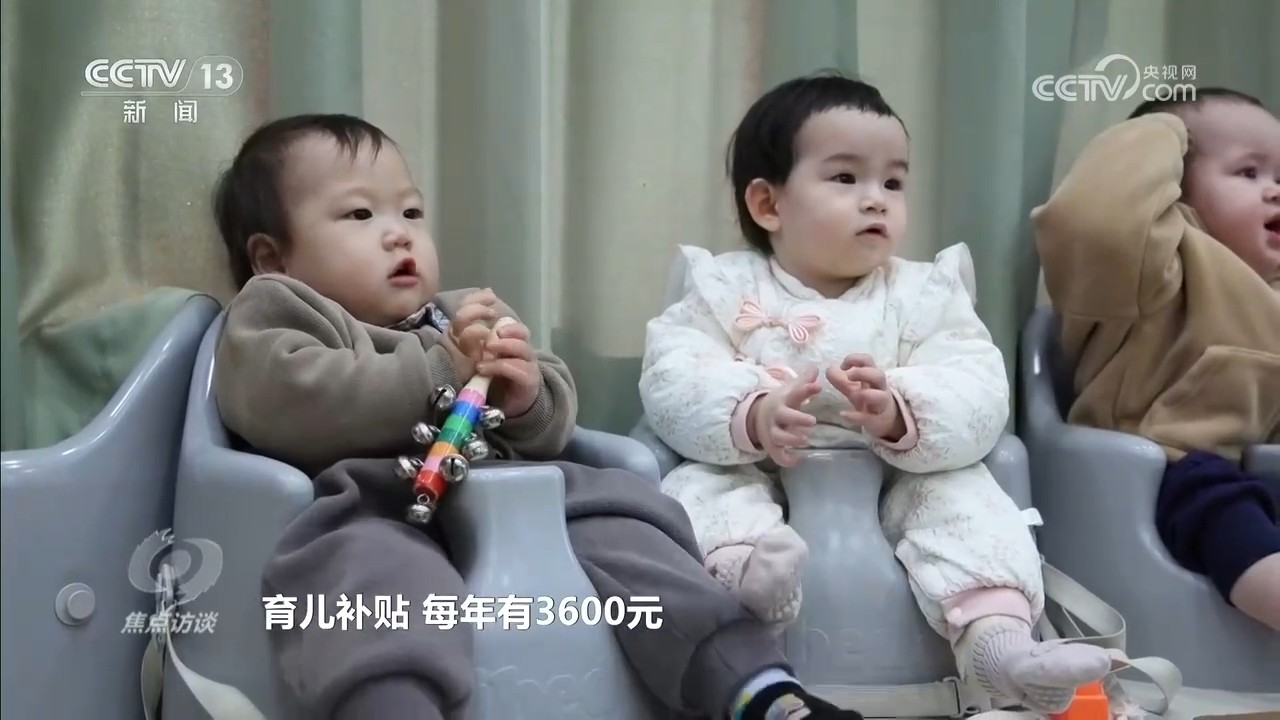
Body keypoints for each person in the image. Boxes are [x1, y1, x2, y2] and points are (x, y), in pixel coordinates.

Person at [209, 113, 866, 720]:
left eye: (411, 211)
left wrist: (523, 395)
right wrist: (444, 369)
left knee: (633, 534)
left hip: (529, 500)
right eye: (359, 213)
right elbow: (290, 400)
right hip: (375, 504)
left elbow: (553, 426)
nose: (398, 232)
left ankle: (758, 691)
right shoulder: (280, 313)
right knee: (370, 585)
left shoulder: (463, 312)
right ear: (272, 258)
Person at [638, 72, 1111, 714]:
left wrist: (899, 410)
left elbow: (976, 383)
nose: (876, 201)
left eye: (893, 183)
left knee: (967, 503)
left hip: (897, 472)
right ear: (769, 204)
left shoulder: (925, 292)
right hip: (756, 464)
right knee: (697, 493)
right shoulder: (722, 288)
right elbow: (673, 374)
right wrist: (751, 413)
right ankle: (748, 585)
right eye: (845, 178)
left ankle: (999, 648)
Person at [1034, 88, 1280, 630]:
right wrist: (1162, 131)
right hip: (1157, 476)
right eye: (1249, 172)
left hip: (1247, 473)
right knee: (1220, 503)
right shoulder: (1154, 268)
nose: (1274, 190)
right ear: (1175, 187)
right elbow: (1093, 222)